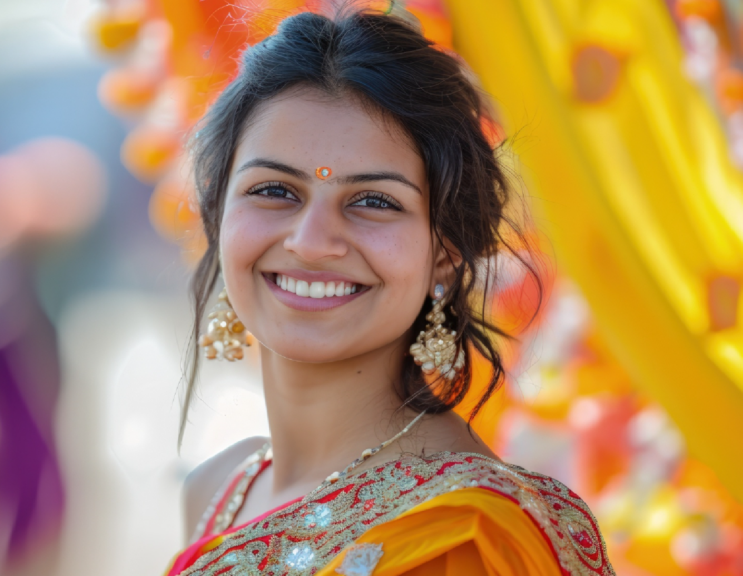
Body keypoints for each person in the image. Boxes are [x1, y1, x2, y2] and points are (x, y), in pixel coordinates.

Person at [167, 7, 614, 576]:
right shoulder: (218, 490)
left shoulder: (458, 537)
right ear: (217, 215)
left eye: (374, 201)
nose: (311, 243)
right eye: (274, 190)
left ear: (445, 251)